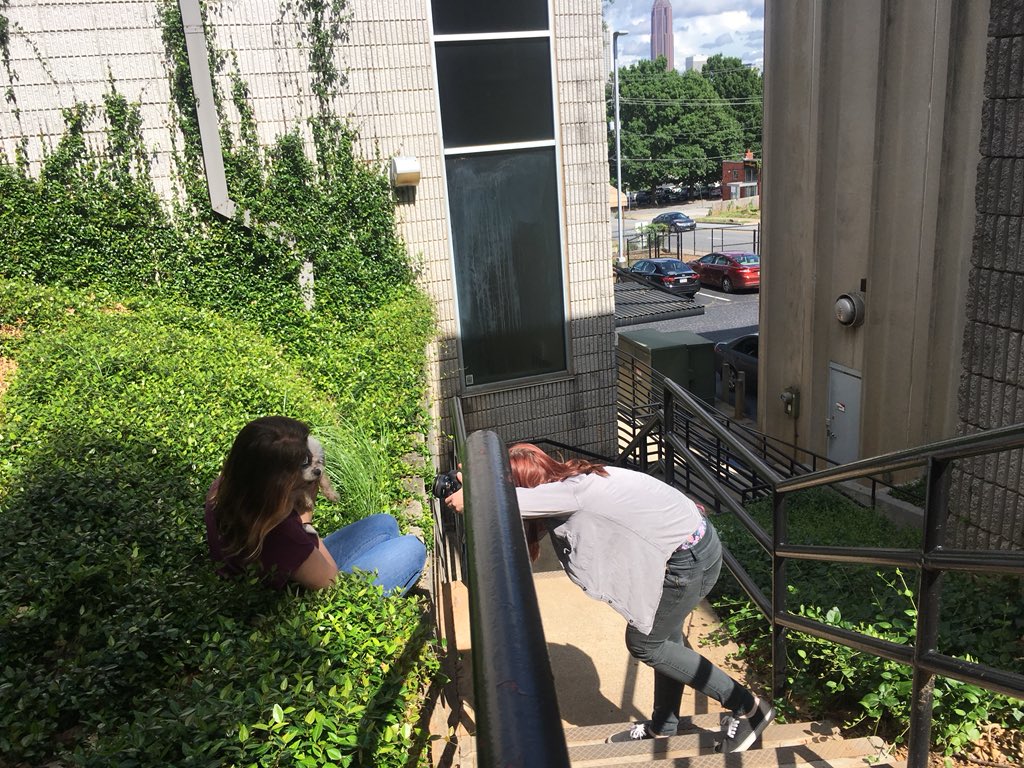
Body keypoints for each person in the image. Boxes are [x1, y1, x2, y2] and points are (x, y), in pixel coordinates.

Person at [445, 443, 773, 753]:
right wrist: (478, 478)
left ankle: (748, 708)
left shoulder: (569, 494)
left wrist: (474, 497)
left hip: (687, 561)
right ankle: (664, 727)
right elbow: (514, 498)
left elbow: (503, 502)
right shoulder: (576, 478)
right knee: (666, 642)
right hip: (693, 546)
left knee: (646, 644)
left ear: (529, 487)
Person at [205, 416, 425, 595]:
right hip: (306, 593)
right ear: (279, 485)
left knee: (384, 523)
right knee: (412, 548)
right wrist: (305, 521)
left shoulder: (224, 488)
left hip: (281, 569)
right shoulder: (281, 534)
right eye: (302, 462)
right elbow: (332, 584)